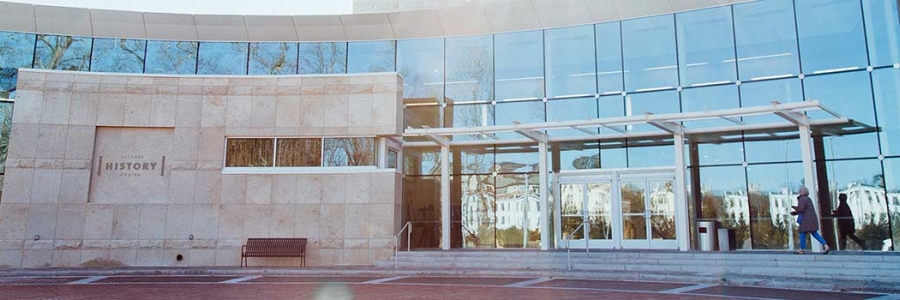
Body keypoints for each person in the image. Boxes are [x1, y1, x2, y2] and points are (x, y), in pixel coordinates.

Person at [791, 186, 830, 254]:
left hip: (805, 220)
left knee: (802, 232)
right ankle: (825, 245)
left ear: (802, 192)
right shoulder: (808, 199)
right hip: (812, 219)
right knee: (814, 233)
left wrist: (795, 210)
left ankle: (801, 249)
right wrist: (797, 210)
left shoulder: (802, 199)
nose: (799, 192)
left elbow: (801, 209)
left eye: (800, 191)